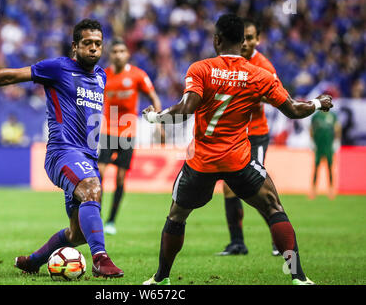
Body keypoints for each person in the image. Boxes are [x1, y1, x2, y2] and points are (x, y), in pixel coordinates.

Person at [142, 14, 333, 285]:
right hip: (238, 159)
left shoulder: (200, 69)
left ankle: (161, 278)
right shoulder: (259, 74)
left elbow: (185, 109)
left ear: (216, 40)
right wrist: (317, 103)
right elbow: (292, 109)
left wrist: (154, 117)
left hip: (201, 161)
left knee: (176, 215)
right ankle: (299, 277)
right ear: (243, 41)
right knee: (273, 207)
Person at [0, 19, 124, 278]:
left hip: (88, 158)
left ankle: (33, 261)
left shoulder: (101, 76)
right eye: (87, 44)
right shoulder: (58, 68)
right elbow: (9, 75)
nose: (93, 48)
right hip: (63, 153)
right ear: (75, 46)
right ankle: (100, 259)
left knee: (79, 233)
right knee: (92, 189)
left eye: (98, 44)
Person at [217, 19, 280, 257]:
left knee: (258, 187)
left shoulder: (263, 65)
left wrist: (249, 90)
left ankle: (277, 239)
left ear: (258, 40)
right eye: (243, 37)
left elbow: (277, 94)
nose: (246, 42)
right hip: (233, 135)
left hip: (255, 134)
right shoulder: (229, 62)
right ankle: (237, 243)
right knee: (229, 189)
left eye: (251, 37)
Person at [98, 38, 162, 235]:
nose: (118, 54)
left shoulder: (137, 75)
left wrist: (158, 123)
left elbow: (153, 97)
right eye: (115, 51)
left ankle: (111, 221)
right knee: (98, 174)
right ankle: (96, 218)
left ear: (127, 54)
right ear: (110, 54)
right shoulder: (103, 75)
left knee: (120, 178)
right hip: (107, 130)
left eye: (122, 51)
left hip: (128, 132)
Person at [309, 110, 341, 200]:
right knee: (316, 167)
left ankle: (331, 189)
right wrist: (311, 142)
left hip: (328, 145)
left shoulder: (332, 115)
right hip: (318, 145)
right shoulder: (316, 116)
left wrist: (337, 141)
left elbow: (338, 128)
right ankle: (313, 190)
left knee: (330, 167)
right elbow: (311, 128)